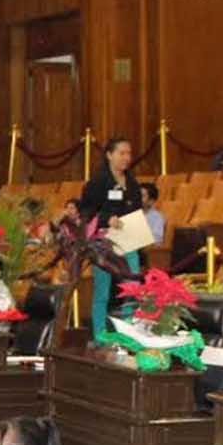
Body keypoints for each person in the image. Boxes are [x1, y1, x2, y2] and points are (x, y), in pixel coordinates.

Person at [77, 138, 147, 335]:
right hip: (103, 242)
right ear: (109, 155)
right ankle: (100, 334)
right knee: (102, 290)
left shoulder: (132, 183)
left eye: (129, 153)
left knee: (132, 287)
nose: (126, 157)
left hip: (128, 238)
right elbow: (86, 211)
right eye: (121, 153)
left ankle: (128, 331)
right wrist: (106, 219)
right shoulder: (97, 182)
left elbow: (137, 210)